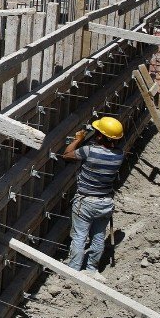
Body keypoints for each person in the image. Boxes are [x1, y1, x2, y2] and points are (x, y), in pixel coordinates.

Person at [63, 116, 125, 277]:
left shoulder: (89, 150)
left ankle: (73, 271)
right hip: (105, 203)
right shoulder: (119, 155)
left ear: (99, 136)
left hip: (85, 202)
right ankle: (91, 270)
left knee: (79, 237)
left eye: (97, 132)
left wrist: (78, 140)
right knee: (98, 237)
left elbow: (67, 155)